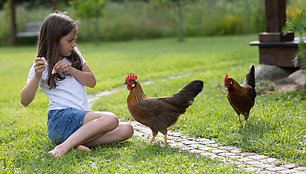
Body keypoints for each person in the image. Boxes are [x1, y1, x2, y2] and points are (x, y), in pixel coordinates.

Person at [20, 12, 134, 158]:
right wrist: (36, 76)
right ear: (54, 41)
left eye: (74, 40)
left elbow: (91, 82)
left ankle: (77, 143)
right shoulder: (42, 64)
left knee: (127, 129)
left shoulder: (74, 54)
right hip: (60, 120)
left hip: (79, 123)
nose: (74, 44)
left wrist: (71, 69)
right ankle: (63, 147)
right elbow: (24, 100)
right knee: (111, 119)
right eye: (69, 40)